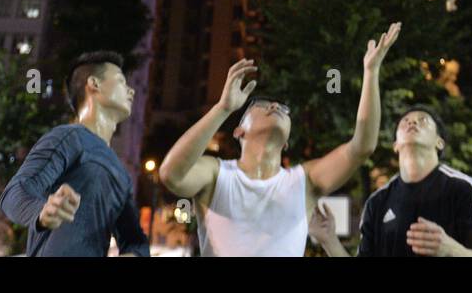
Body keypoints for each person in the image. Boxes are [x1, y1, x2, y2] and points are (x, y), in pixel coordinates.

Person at [160, 23, 400, 256]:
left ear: (286, 143)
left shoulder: (303, 182)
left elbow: (362, 147)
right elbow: (171, 174)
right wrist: (222, 109)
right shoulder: (217, 175)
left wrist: (371, 72)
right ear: (239, 131)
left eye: (283, 110)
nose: (275, 106)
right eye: (262, 105)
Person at [1, 51, 149, 257]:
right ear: (94, 84)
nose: (131, 91)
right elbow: (14, 194)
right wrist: (42, 211)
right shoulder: (68, 138)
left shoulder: (121, 174)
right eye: (121, 81)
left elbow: (135, 241)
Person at [312, 105, 472, 257]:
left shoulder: (465, 188)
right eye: (405, 122)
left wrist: (452, 250)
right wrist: (329, 240)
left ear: (439, 142)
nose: (412, 122)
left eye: (422, 120)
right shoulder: (377, 203)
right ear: (396, 145)